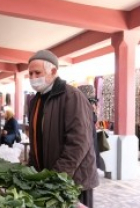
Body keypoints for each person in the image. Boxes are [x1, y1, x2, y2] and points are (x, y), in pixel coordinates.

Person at [27, 50, 98, 207]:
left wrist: (57, 176)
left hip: (73, 181)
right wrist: (32, 172)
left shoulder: (72, 96)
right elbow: (35, 140)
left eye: (37, 73)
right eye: (30, 73)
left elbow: (79, 142)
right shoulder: (35, 101)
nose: (33, 78)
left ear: (53, 71)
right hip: (48, 180)